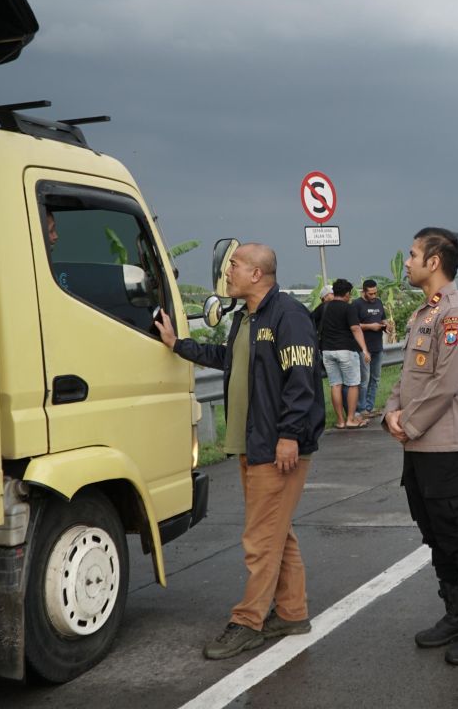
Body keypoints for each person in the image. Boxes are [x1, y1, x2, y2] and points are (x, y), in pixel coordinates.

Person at [153, 243, 324, 659]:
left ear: (256, 274)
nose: (227, 271)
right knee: (276, 533)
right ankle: (291, 611)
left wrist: (289, 435)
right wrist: (179, 345)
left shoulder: (289, 316)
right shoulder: (246, 318)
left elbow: (302, 380)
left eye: (235, 265)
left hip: (276, 446)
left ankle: (248, 621)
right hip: (255, 442)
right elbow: (229, 361)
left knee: (260, 538)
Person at [384, 227, 458, 666]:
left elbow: (444, 384)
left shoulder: (457, 315)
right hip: (417, 445)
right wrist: (390, 413)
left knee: (457, 533)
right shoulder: (424, 314)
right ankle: (456, 612)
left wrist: (409, 424)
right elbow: (408, 377)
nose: (409, 260)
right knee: (433, 531)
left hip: (443, 444)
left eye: (414, 253)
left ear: (434, 261)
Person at [318, 278, 371, 429]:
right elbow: (355, 329)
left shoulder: (324, 307)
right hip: (346, 350)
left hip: (327, 351)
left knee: (335, 385)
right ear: (347, 294)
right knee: (353, 384)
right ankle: (351, 419)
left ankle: (340, 421)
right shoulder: (348, 308)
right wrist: (364, 350)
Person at [353, 279, 388, 418]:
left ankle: (369, 407)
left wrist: (386, 326)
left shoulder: (379, 302)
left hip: (377, 346)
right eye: (371, 294)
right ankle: (361, 409)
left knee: (376, 378)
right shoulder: (356, 304)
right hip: (363, 348)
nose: (374, 296)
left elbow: (383, 318)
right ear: (364, 292)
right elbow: (354, 325)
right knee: (364, 380)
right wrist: (370, 326)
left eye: (375, 293)